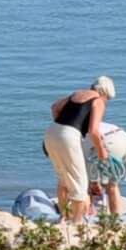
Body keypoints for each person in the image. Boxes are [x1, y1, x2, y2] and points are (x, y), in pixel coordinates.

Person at [45, 77, 118, 223]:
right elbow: (94, 131)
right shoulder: (98, 101)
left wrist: (62, 127)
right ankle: (77, 223)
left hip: (51, 132)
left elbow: (54, 107)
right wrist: (101, 151)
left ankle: (63, 218)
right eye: (108, 99)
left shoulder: (77, 94)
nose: (106, 101)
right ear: (105, 93)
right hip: (68, 137)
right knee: (81, 184)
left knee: (63, 179)